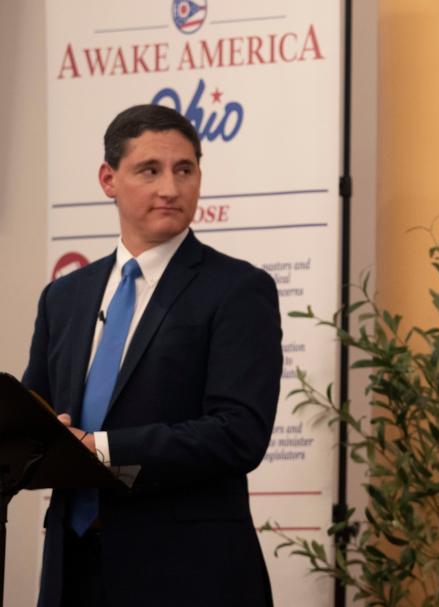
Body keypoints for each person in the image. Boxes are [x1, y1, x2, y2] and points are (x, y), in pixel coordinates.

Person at [23, 104, 283, 607]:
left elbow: (238, 433)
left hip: (187, 572)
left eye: (184, 170)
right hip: (71, 568)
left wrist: (99, 450)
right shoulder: (65, 296)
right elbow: (39, 415)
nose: (171, 188)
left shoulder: (237, 289)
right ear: (108, 179)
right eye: (150, 170)